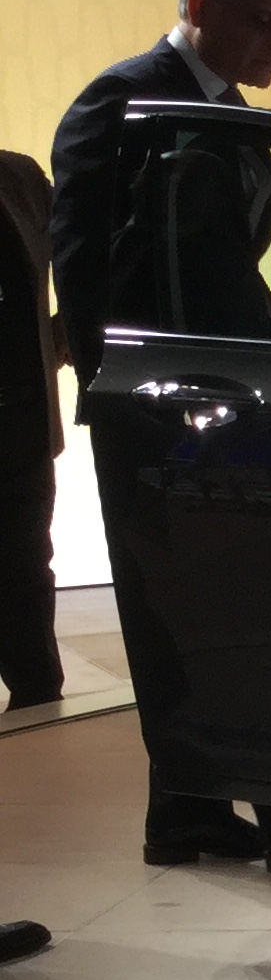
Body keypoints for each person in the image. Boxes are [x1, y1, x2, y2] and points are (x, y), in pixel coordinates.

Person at [49, 0, 271, 884]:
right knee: (248, 609)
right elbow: (82, 263)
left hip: (225, 394)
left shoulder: (224, 107)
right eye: (263, 21)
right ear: (200, 6)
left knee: (207, 609)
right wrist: (118, 390)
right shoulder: (122, 100)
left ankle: (188, 812)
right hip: (167, 406)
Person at [0, 147, 65, 712]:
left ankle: (38, 700)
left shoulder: (20, 178)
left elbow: (85, 254)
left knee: (26, 565)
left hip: (20, 417)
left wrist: (59, 341)